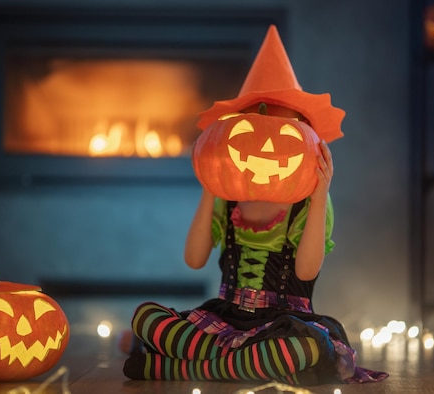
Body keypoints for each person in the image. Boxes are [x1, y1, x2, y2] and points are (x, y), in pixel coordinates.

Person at [123, 25, 388, 385]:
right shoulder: (227, 198)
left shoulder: (307, 204)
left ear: (307, 138)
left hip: (282, 325)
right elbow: (194, 258)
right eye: (253, 127)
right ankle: (236, 363)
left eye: (285, 131)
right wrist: (209, 185)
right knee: (145, 316)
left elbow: (307, 271)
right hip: (225, 319)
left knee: (305, 348)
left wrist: (320, 192)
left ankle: (177, 367)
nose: (266, 146)